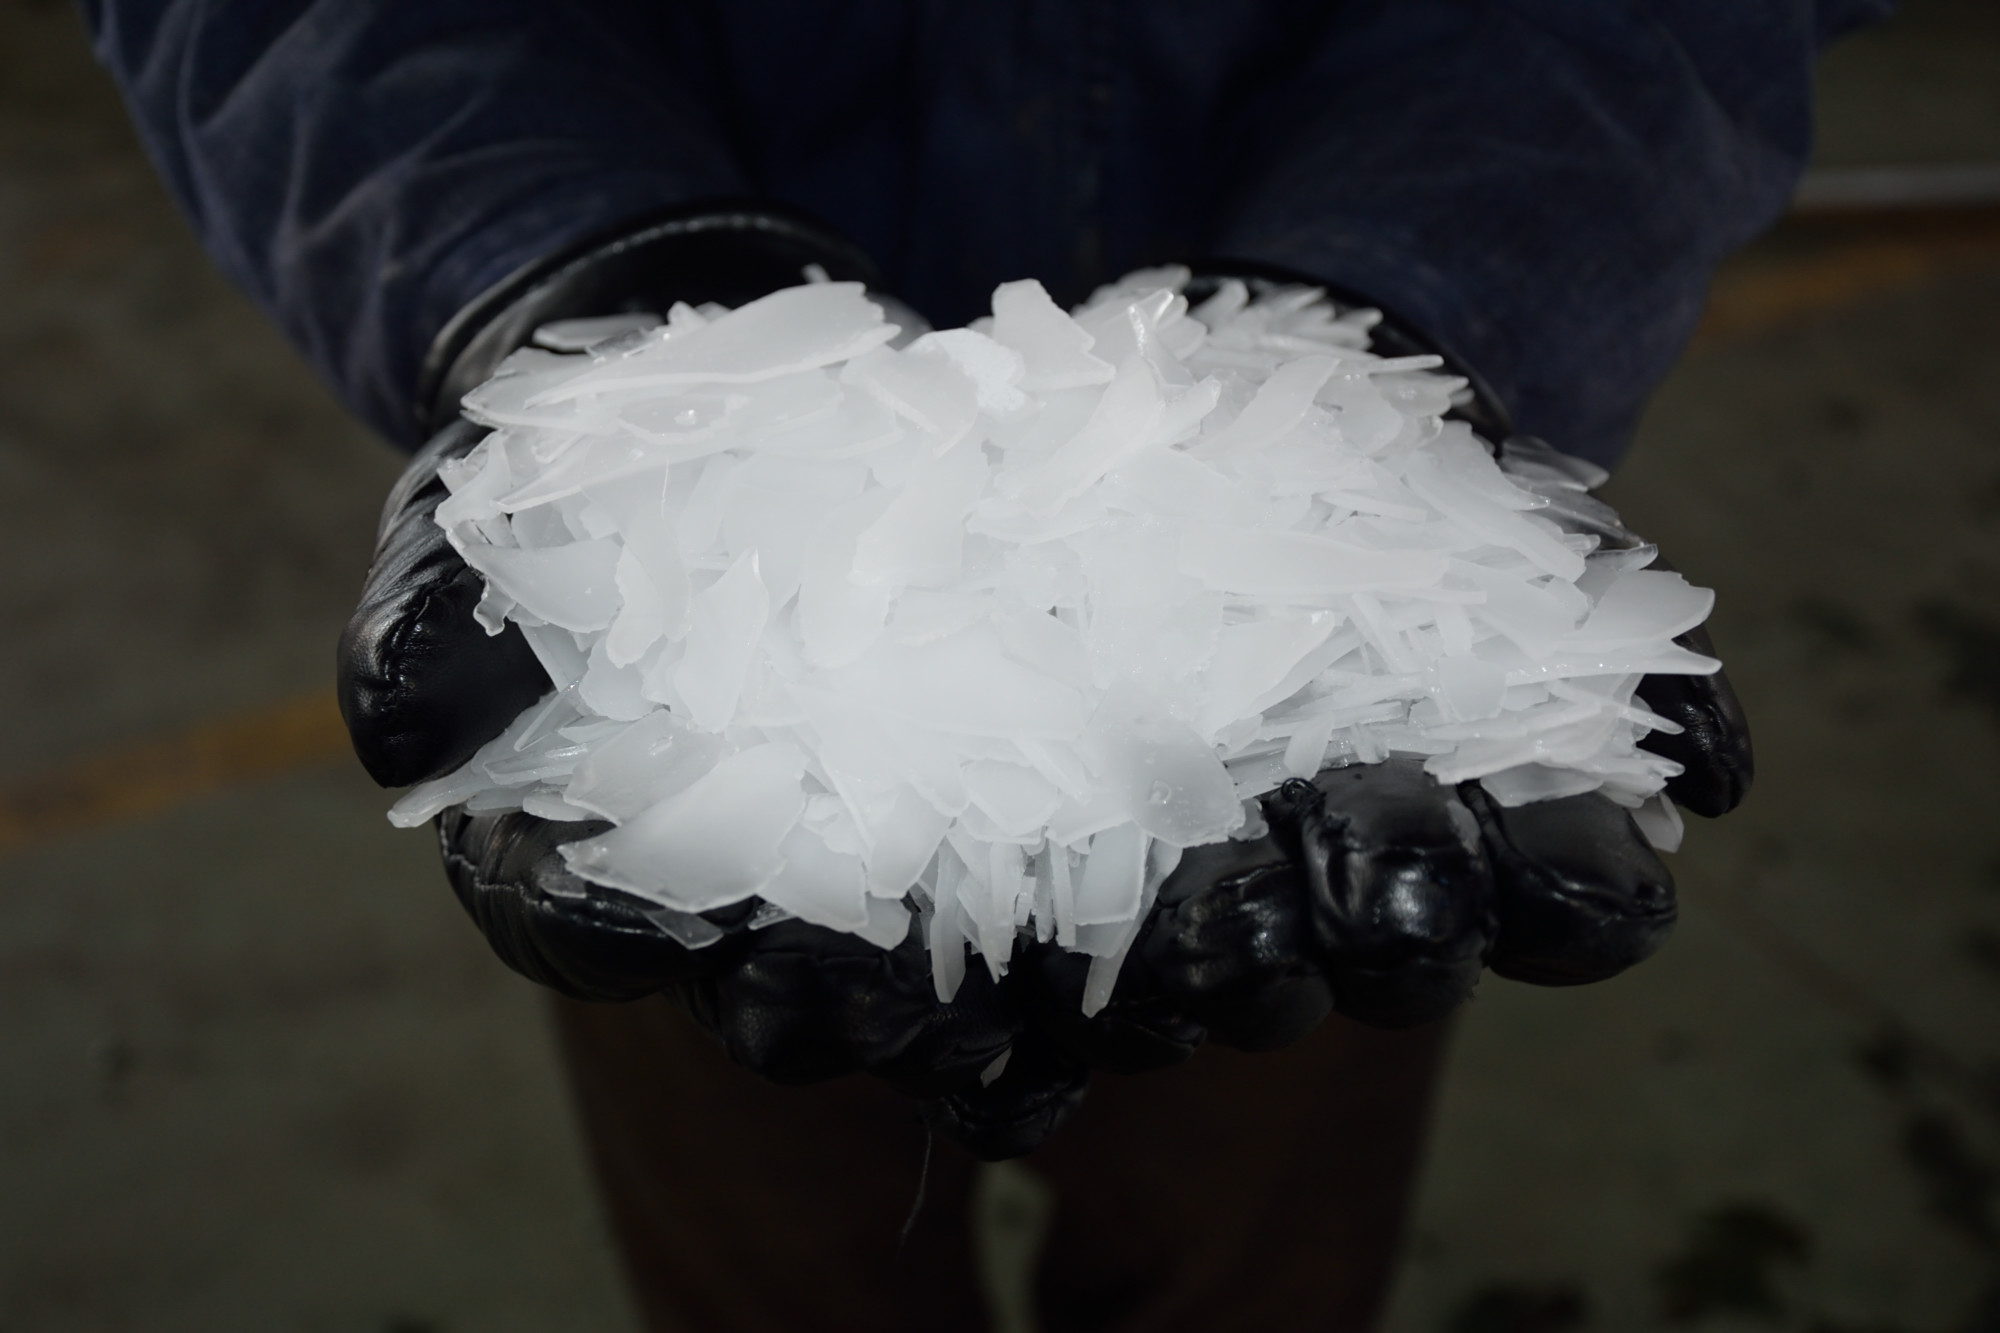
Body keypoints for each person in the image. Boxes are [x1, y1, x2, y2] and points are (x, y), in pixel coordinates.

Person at [83, 3, 1878, 1328]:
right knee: (773, 1229)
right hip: (700, 567)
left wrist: (1412, 289)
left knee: (1263, 1188)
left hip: (1315, 737)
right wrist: (564, 280)